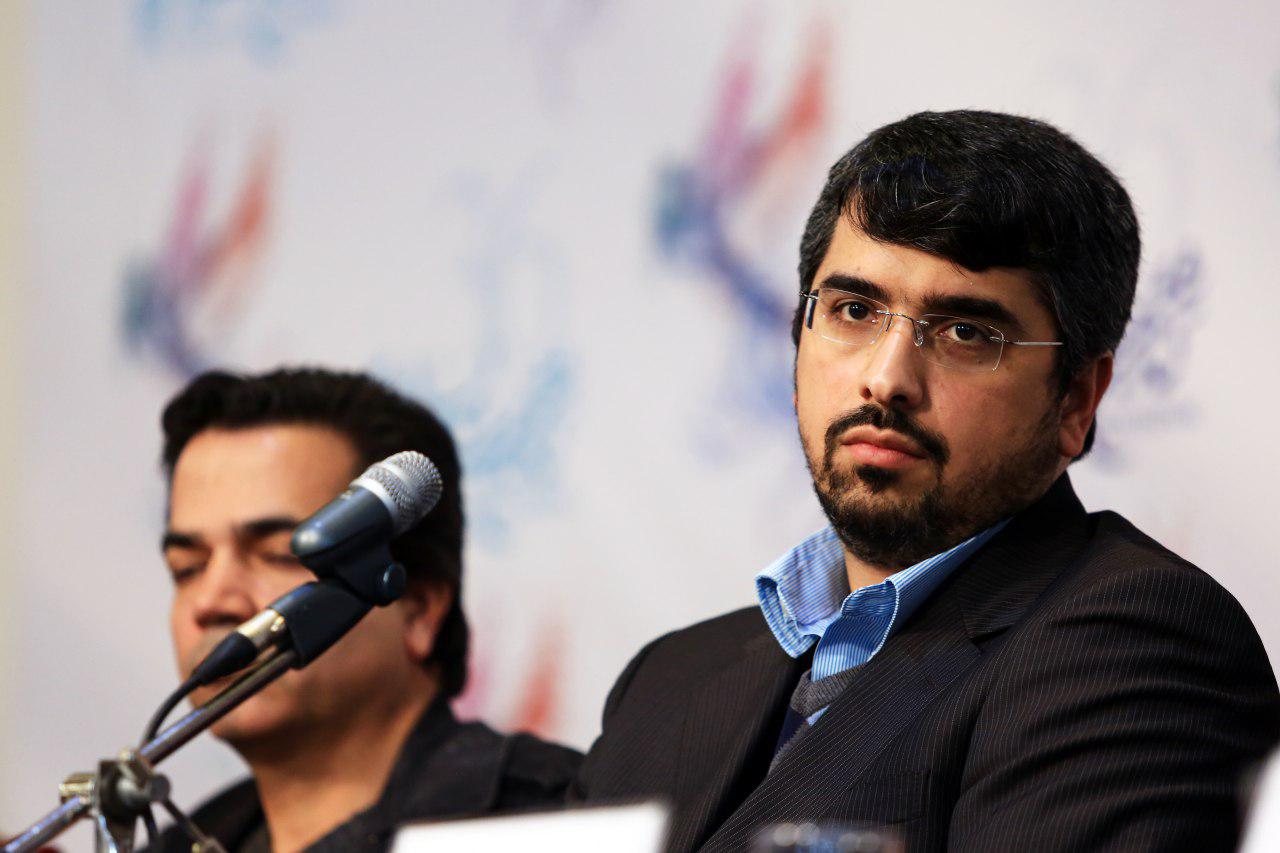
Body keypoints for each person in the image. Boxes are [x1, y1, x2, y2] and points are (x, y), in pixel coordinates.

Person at [572, 110, 1280, 851]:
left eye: (965, 332)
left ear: (1075, 398)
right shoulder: (669, 678)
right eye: (853, 310)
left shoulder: (1130, 646)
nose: (886, 379)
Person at [151, 368, 580, 852]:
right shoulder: (181, 841)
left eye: (277, 554)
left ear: (418, 612)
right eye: (187, 567)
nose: (211, 602)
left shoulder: (559, 823)